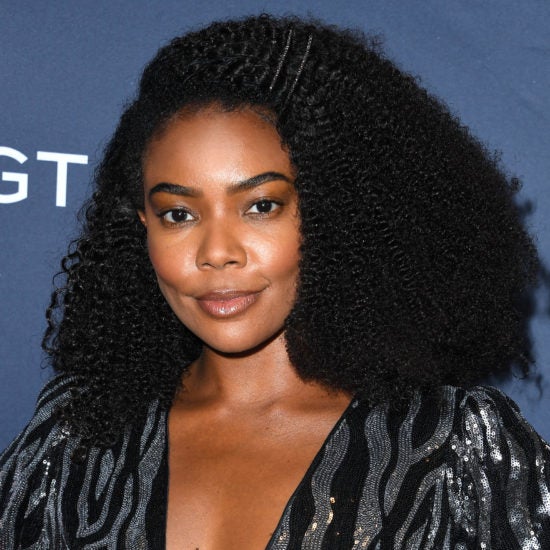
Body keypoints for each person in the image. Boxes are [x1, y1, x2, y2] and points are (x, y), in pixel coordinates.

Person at [1, 14, 549, 549]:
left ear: (334, 211)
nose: (216, 253)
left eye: (261, 206)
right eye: (178, 214)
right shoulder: (78, 438)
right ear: (143, 223)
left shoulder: (453, 451)